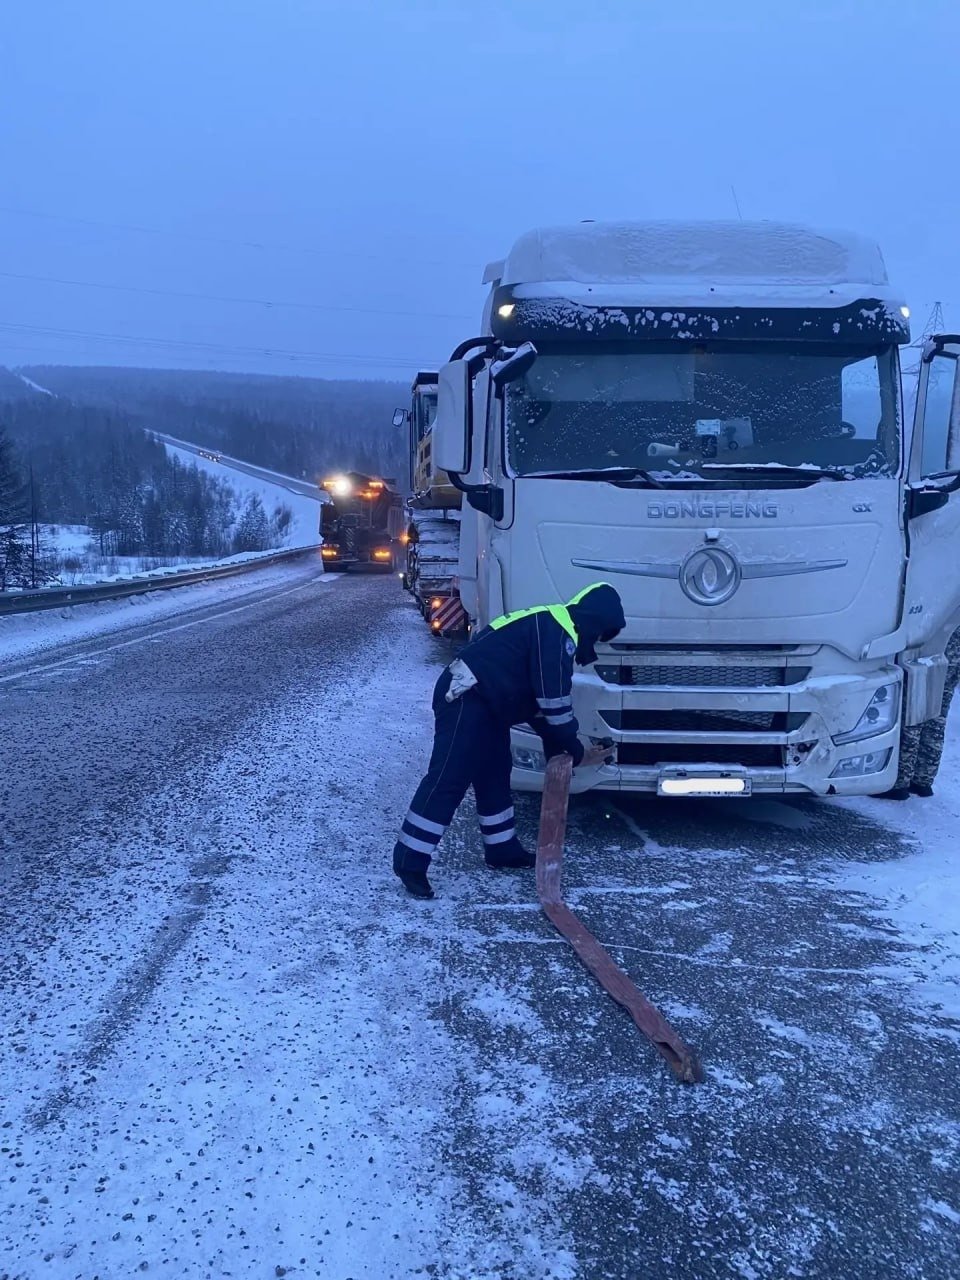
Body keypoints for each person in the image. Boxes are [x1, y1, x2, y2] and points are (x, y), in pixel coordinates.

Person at [392, 582, 627, 898]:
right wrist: (573, 748)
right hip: (466, 695)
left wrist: (561, 750)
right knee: (449, 777)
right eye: (601, 634)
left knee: (494, 776)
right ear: (596, 620)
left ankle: (502, 848)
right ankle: (410, 861)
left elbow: (540, 707)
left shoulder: (552, 625)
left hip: (490, 703)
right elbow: (554, 702)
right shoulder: (557, 633)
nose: (596, 642)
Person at [878, 626, 960, 800]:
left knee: (913, 711)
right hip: (953, 651)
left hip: (931, 649)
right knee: (937, 715)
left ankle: (898, 783)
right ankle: (923, 780)